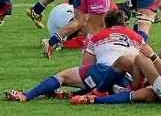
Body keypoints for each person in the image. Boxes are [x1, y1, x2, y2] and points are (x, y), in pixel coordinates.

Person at [5, 9, 142, 102]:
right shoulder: (137, 37)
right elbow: (142, 64)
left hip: (101, 71)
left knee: (62, 76)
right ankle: (110, 90)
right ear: (125, 24)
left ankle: (26, 96)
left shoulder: (96, 36)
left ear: (106, 24)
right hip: (128, 78)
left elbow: (87, 65)